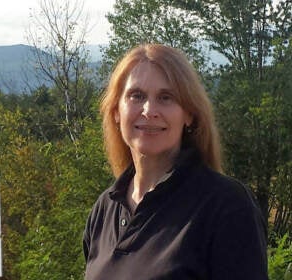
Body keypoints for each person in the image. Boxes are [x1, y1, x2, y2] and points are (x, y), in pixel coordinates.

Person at [83, 44, 268, 279]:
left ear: (189, 114)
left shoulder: (226, 206)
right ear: (116, 112)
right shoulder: (104, 209)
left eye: (166, 97)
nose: (149, 110)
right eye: (136, 96)